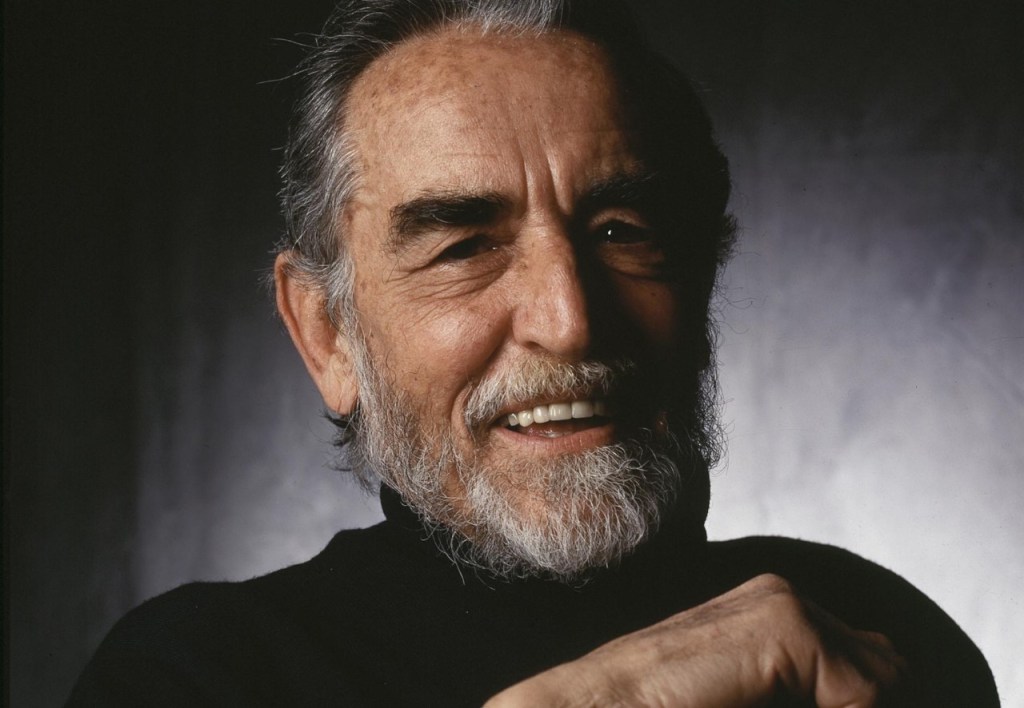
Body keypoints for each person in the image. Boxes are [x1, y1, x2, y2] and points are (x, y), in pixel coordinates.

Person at [68, 1, 998, 705]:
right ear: (327, 334)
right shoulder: (192, 676)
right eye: (463, 247)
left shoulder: (868, 635)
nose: (570, 319)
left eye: (622, 230)